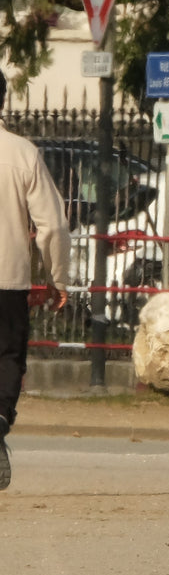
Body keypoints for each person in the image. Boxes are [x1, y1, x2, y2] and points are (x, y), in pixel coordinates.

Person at [0, 71, 70, 490]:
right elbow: (53, 226)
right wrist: (56, 278)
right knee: (7, 357)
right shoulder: (21, 153)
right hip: (8, 280)